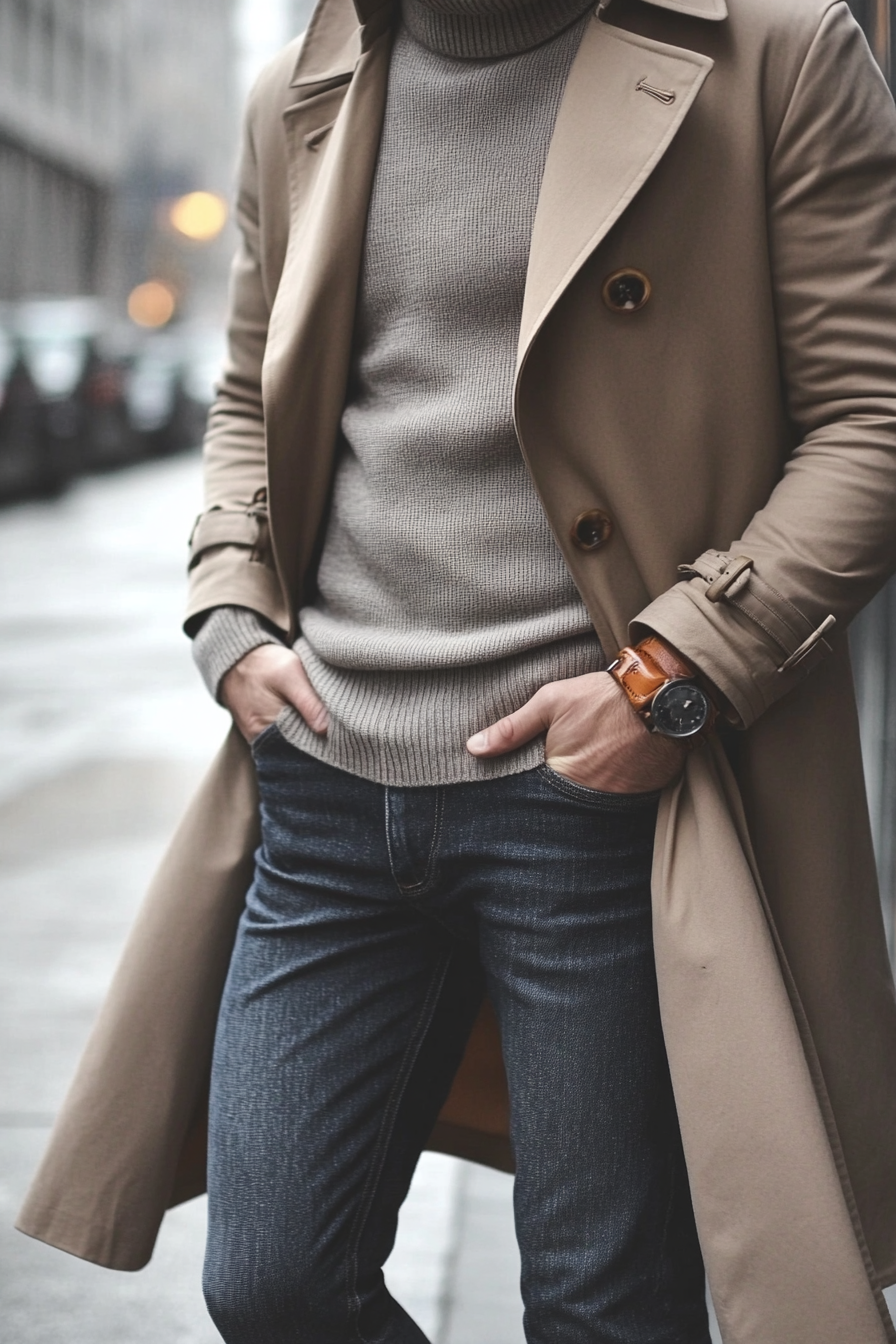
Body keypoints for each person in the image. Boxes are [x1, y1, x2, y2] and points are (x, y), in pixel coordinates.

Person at [17, 0, 896, 1339]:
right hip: (321, 787)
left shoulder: (771, 51)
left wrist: (674, 672)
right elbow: (251, 390)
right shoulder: (302, 87)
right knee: (273, 1284)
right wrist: (230, 609)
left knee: (606, 1306)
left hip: (594, 794)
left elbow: (872, 417)